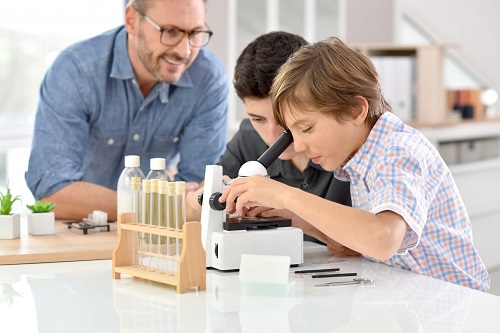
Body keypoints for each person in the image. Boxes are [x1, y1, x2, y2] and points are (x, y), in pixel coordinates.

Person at [219, 37, 490, 291]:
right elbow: (357, 246)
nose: (299, 146)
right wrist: (297, 219)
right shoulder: (359, 161)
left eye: (307, 128)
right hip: (410, 297)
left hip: (453, 306)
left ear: (355, 110)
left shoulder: (398, 152)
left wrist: (285, 194)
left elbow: (382, 239)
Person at [25, 0, 228, 221]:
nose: (185, 50)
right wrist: (156, 207)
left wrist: (178, 205)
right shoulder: (76, 71)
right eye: (170, 32)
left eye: (195, 33)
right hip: (80, 234)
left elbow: (200, 194)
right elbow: (52, 193)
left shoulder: (208, 79)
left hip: (157, 235)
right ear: (132, 20)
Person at [186, 31, 353, 253]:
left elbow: (362, 245)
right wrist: (200, 199)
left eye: (284, 119)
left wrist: (293, 209)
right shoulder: (248, 139)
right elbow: (191, 211)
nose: (273, 135)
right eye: (258, 119)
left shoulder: (345, 145)